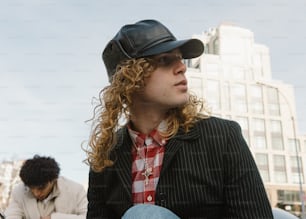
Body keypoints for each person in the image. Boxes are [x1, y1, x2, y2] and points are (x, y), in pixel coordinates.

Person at [85, 19, 273, 219]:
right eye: (165, 60)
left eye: (180, 59)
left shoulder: (222, 136)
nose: (182, 67)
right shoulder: (105, 156)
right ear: (130, 78)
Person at [5, 155, 87, 219]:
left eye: (41, 188)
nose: (36, 193)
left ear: (53, 180)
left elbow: (89, 217)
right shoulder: (19, 192)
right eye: (31, 188)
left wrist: (54, 218)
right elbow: (12, 216)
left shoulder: (76, 190)